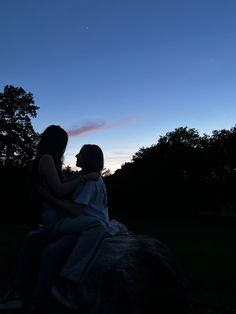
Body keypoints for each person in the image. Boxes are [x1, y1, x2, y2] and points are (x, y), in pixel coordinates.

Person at [0, 125, 99, 312]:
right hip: (53, 217)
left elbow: (61, 184)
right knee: (91, 227)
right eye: (64, 143)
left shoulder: (50, 160)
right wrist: (85, 178)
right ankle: (44, 291)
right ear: (58, 143)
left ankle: (30, 293)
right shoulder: (46, 159)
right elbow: (59, 190)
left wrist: (79, 176)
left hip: (56, 215)